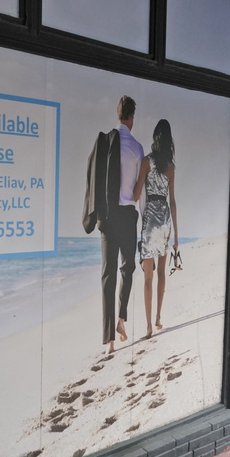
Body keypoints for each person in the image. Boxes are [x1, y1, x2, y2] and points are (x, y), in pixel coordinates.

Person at [83, 96, 145, 353]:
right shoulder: (138, 149)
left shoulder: (106, 143)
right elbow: (138, 193)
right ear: (132, 118)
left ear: (118, 115)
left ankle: (108, 341)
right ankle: (121, 318)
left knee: (107, 275)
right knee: (127, 269)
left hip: (107, 217)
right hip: (128, 216)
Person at [133, 119, 178, 339]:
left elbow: (135, 193)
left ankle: (149, 325)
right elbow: (173, 202)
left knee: (148, 277)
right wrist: (176, 235)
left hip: (150, 219)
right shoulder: (170, 167)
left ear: (155, 138)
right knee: (161, 273)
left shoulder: (146, 162)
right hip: (165, 220)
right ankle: (159, 316)